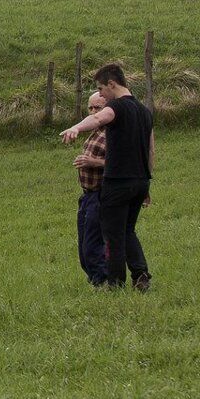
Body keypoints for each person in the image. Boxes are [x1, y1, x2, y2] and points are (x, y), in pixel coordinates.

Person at [59, 62, 153, 290]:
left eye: (101, 89)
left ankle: (115, 283)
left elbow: (99, 119)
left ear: (112, 84)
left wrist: (76, 128)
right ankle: (140, 274)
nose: (100, 94)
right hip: (140, 181)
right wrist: (148, 183)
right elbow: (151, 150)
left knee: (112, 235)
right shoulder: (145, 112)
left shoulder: (117, 107)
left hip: (118, 182)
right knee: (128, 230)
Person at [73, 91, 109, 287]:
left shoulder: (112, 132)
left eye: (98, 108)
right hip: (87, 195)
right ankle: (95, 278)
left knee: (92, 243)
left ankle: (102, 280)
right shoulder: (95, 131)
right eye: (91, 108)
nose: (94, 112)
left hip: (100, 194)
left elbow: (120, 162)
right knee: (83, 243)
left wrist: (93, 161)